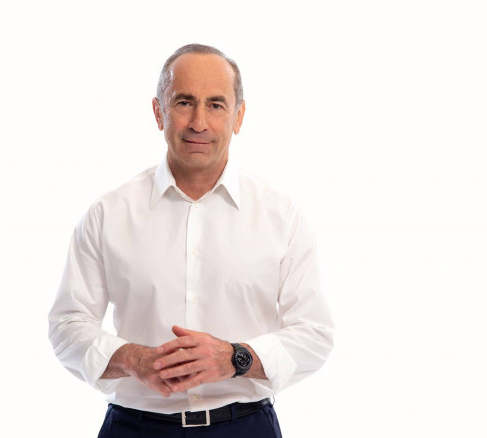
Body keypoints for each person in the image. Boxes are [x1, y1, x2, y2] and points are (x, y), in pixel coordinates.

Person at [48, 43, 334, 437]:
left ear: (239, 116)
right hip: (134, 428)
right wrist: (131, 358)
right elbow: (67, 325)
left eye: (216, 105)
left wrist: (234, 358)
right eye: (184, 102)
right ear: (158, 112)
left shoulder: (281, 215)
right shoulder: (107, 213)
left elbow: (314, 333)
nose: (199, 122)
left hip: (245, 427)